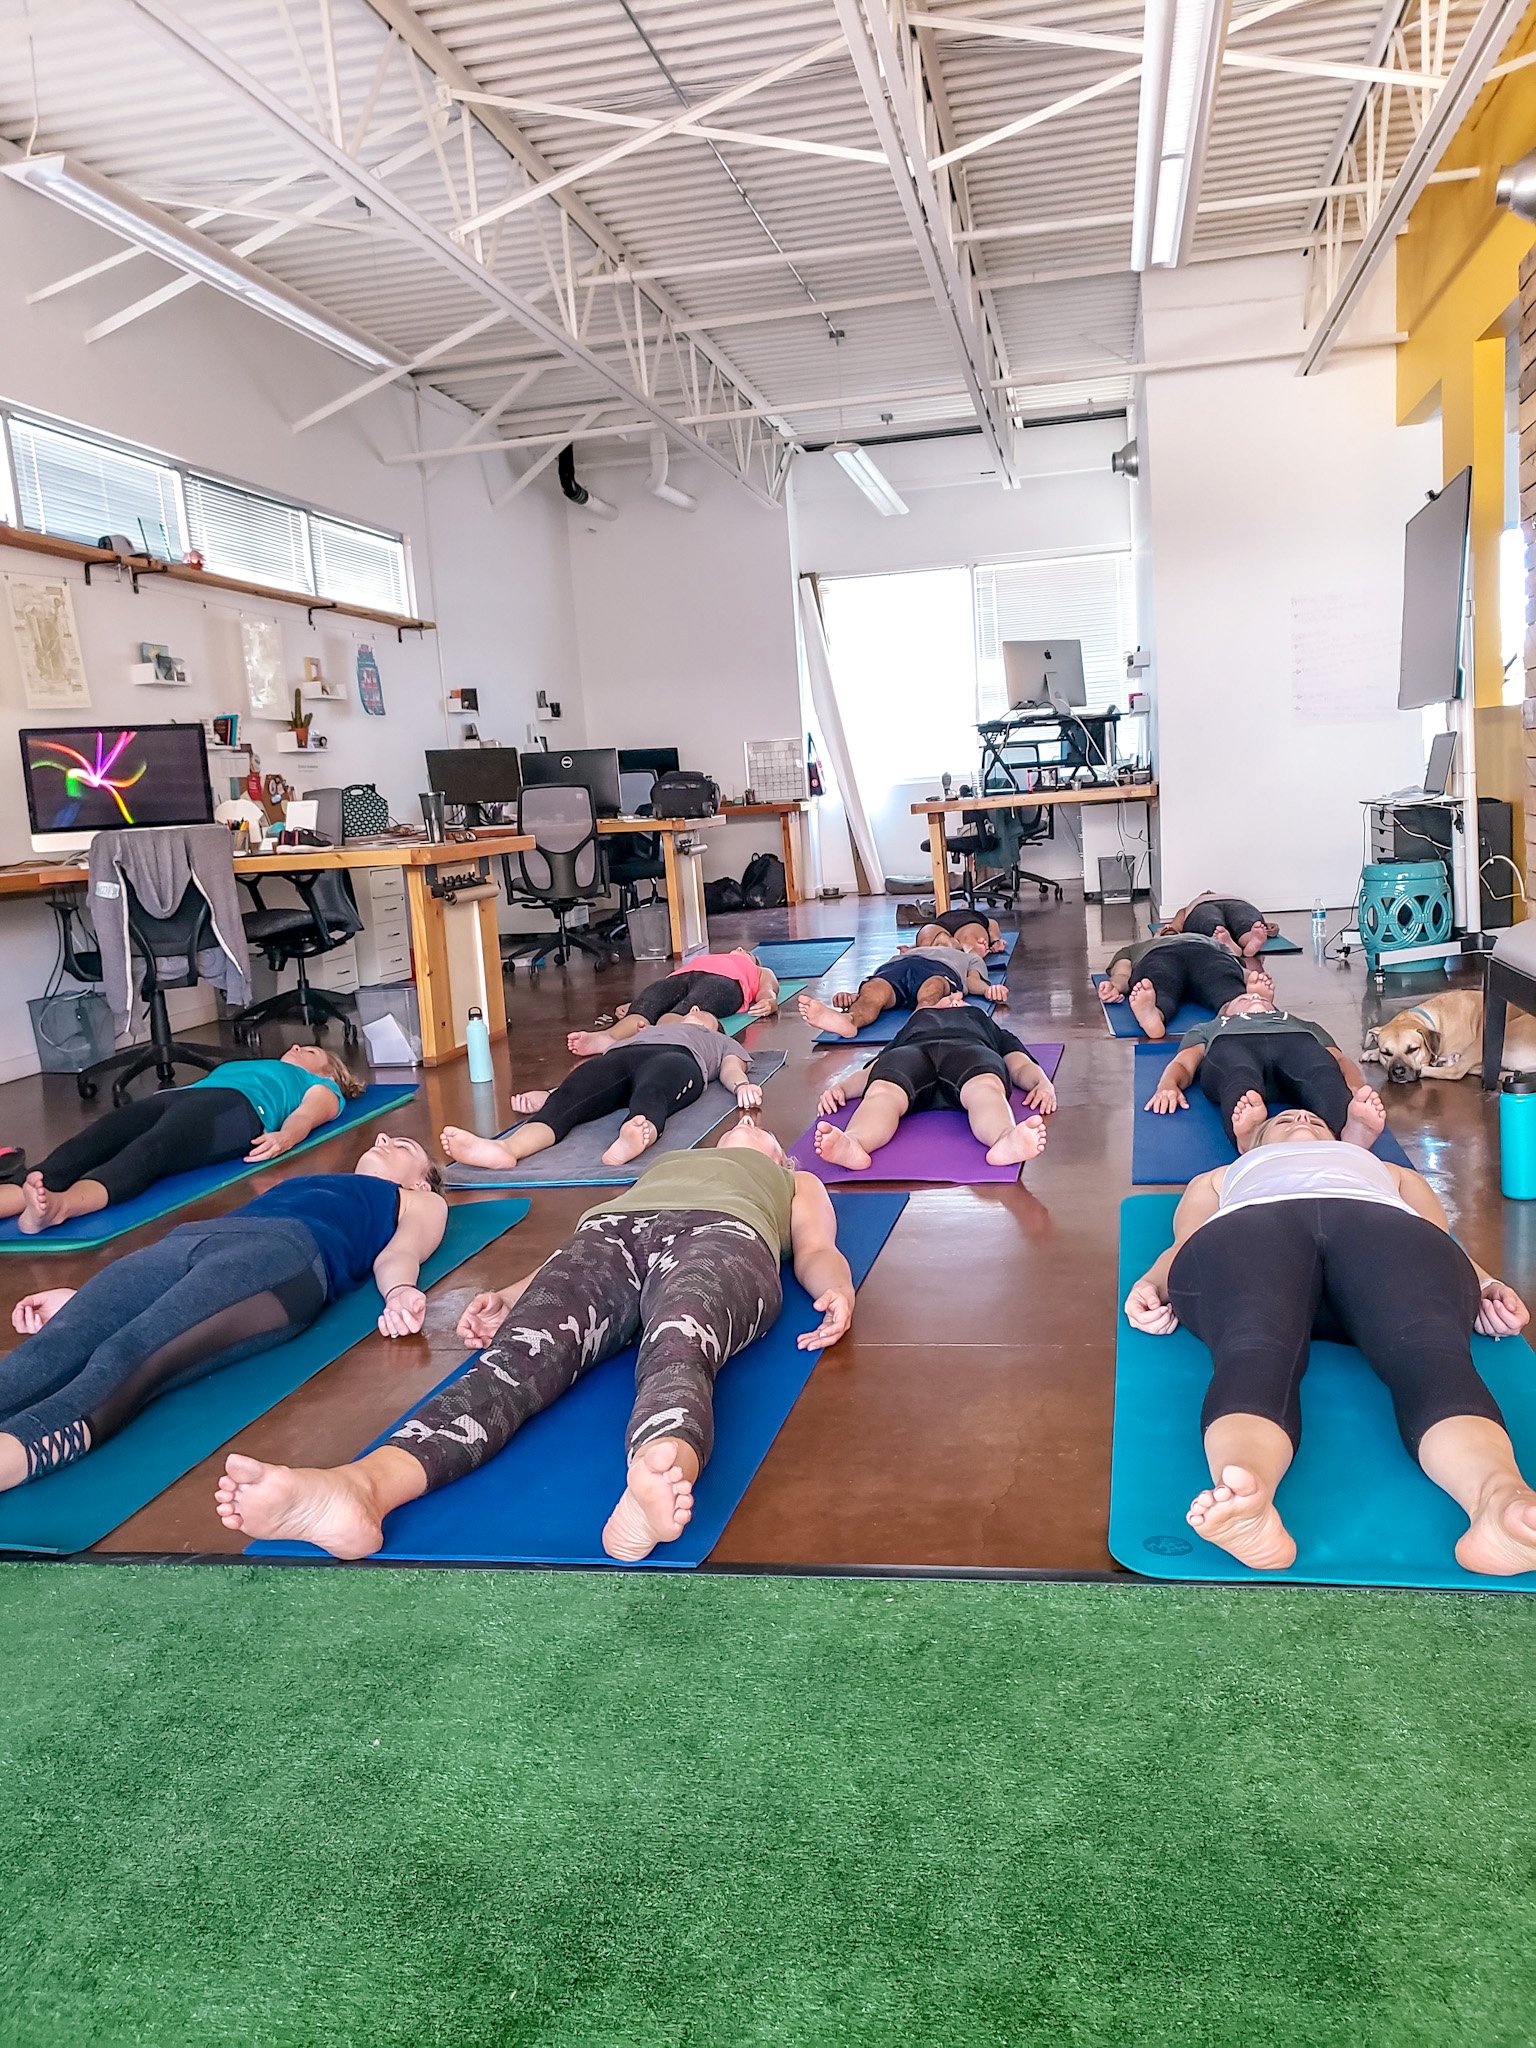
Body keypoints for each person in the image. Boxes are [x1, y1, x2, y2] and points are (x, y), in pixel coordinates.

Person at [215, 1125, 856, 1565]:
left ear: (778, 1155)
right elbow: (570, 1257)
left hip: (724, 1237)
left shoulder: (792, 1182)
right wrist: (517, 1292)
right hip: (611, 1235)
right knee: (518, 1355)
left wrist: (837, 1290)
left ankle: (656, 1476)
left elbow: (819, 1249)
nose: (750, 1130)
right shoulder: (672, 1164)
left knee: (680, 1335)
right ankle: (361, 1489)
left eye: (765, 1136)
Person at [1124, 1116, 1536, 1577]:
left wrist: (1485, 1283)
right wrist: (1152, 1281)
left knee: (1430, 1349)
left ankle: (1502, 1502)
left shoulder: (1391, 1171)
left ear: (1339, 1137)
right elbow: (1185, 1241)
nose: (1300, 1119)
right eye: (1284, 1119)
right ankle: (1245, 1495)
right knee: (1255, 1346)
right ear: (1252, 1145)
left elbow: (1439, 1235)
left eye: (1313, 1118)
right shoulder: (1219, 1177)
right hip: (1254, 1231)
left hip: (1381, 1232)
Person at [0, 1133, 446, 1493]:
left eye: (404, 1146)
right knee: (63, 1338)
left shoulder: (420, 1201)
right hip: (188, 1240)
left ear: (421, 1182)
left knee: (130, 1352)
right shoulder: (311, 1181)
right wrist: (83, 1300)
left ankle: (14, 1456)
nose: (385, 1138)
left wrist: (400, 1291)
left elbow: (400, 1253)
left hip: (285, 1254)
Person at [0, 1046, 362, 1235]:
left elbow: (307, 1115)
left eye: (311, 1051)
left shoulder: (324, 1087)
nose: (298, 1047)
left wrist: (285, 1138)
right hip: (178, 1095)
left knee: (153, 1148)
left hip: (236, 1109)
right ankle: (20, 1197)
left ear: (328, 1071)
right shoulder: (250, 1064)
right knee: (92, 1140)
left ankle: (60, 1207)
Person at [442, 1008, 764, 1171]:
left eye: (702, 1014)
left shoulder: (717, 1040)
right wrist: (555, 1089)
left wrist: (742, 1086)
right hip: (622, 1057)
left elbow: (731, 1067)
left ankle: (637, 1133)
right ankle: (508, 1149)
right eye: (690, 1011)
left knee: (652, 1091)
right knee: (573, 1095)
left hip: (678, 1060)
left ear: (713, 1025)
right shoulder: (651, 1029)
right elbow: (609, 1046)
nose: (694, 1013)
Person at [813, 995, 1054, 1172]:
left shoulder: (986, 1024)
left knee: (985, 1088)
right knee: (882, 1091)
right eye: (946, 997)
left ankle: (1004, 1138)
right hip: (912, 1052)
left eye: (960, 999)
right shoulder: (912, 1025)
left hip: (968, 1050)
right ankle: (855, 1142)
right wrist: (841, 1087)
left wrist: (1042, 1083)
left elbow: (1019, 1064)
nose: (954, 999)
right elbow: (873, 1070)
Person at [1144, 993, 1385, 1150]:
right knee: (1238, 1078)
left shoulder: (1302, 1023)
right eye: (1244, 998)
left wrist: (1355, 1087)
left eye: (1259, 997)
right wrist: (1168, 1084)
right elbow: (1185, 1062)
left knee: (1322, 1075)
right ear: (1227, 1012)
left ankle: (1349, 1136)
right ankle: (1251, 1138)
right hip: (1233, 1044)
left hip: (1296, 1043)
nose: (1254, 996)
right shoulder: (1212, 1027)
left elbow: (1340, 1060)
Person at [797, 931, 1009, 1040]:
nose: (944, 938)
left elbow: (973, 981)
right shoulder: (910, 951)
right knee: (874, 990)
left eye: (950, 939)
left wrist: (988, 990)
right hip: (900, 967)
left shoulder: (966, 957)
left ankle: (917, 1026)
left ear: (959, 946)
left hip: (939, 971)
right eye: (937, 939)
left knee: (932, 989)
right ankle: (848, 1021)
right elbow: (875, 980)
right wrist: (856, 996)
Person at [577, 947, 779, 1050]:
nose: (739, 950)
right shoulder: (707, 957)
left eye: (745, 952)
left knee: (686, 1010)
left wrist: (768, 1000)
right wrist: (638, 1003)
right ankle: (609, 1037)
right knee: (649, 1002)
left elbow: (769, 987)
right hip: (684, 976)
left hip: (725, 981)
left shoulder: (756, 969)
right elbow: (664, 994)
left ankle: (659, 1036)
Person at [1098, 933, 1269, 1041]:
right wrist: (1115, 986)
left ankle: (1155, 1013)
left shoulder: (1208, 940)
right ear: (1156, 933)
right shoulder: (1135, 948)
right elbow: (1122, 973)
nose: (1168, 929)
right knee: (1161, 984)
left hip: (1203, 954)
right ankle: (1244, 1003)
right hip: (1170, 956)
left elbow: (1234, 966)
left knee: (1222, 983)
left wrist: (1251, 979)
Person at [1159, 890, 1278, 961]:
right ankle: (1248, 939)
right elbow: (1175, 925)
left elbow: (1175, 926)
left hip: (1226, 905)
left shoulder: (1193, 905)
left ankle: (1233, 943)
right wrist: (1268, 927)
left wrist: (1169, 931)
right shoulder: (1196, 902)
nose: (1208, 891)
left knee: (1213, 924)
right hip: (1236, 904)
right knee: (1243, 923)